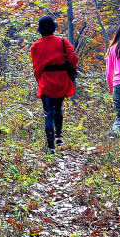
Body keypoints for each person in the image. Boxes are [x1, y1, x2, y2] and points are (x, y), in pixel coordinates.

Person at [30, 16, 79, 154]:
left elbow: (36, 68)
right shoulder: (63, 41)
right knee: (58, 108)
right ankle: (58, 137)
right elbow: (74, 58)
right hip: (61, 81)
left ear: (40, 30)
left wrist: (40, 80)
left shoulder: (36, 46)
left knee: (48, 113)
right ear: (53, 28)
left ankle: (51, 146)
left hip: (46, 82)